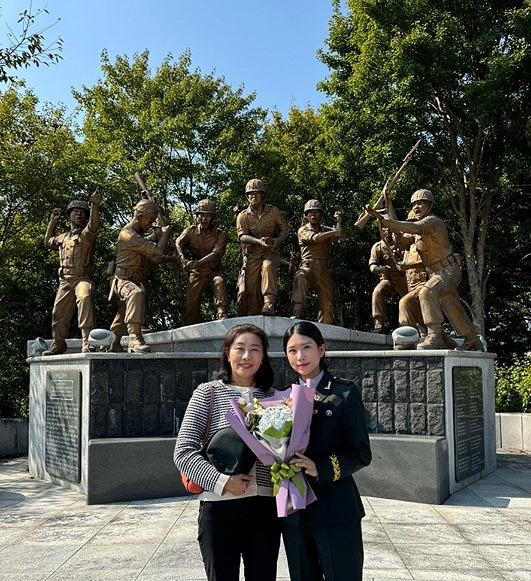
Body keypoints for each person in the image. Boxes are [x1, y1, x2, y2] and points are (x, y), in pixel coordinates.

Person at [174, 323, 281, 581]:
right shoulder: (207, 393)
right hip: (219, 510)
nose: (247, 356)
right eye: (240, 348)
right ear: (227, 352)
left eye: (255, 350)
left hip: (265, 510)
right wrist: (223, 482)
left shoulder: (277, 398)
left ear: (263, 356)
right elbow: (183, 452)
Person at [282, 321, 372, 581]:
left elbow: (360, 453)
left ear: (321, 350)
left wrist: (319, 467)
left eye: (307, 347)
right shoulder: (281, 398)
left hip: (335, 509)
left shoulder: (344, 394)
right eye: (292, 350)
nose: (300, 356)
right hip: (295, 514)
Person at [377, 189, 483, 350]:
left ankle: (435, 336)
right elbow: (403, 237)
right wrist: (388, 205)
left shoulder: (433, 222)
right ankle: (472, 340)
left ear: (430, 205)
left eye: (420, 203)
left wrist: (390, 223)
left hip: (448, 269)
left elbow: (411, 227)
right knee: (452, 307)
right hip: (438, 272)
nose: (416, 207)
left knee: (427, 292)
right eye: (413, 205)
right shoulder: (418, 231)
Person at [109, 199, 173, 353]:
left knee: (123, 314)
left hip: (134, 279)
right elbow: (157, 250)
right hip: (123, 280)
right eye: (149, 220)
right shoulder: (127, 235)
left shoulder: (136, 235)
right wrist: (165, 234)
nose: (151, 224)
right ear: (139, 216)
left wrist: (161, 238)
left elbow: (154, 253)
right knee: (135, 293)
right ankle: (134, 337)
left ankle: (113, 343)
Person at [43, 191, 101, 355]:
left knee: (85, 297)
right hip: (65, 281)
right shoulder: (62, 238)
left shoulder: (86, 235)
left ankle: (87, 342)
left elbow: (94, 225)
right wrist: (52, 223)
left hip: (82, 278)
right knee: (58, 312)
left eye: (83, 212)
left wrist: (95, 205)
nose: (79, 214)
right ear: (69, 215)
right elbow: (48, 242)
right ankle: (58, 343)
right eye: (75, 211)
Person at [236, 178, 289, 316]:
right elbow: (242, 237)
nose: (253, 196)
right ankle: (254, 312)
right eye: (250, 194)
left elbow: (284, 229)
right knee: (251, 286)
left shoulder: (273, 211)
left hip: (270, 251)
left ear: (262, 195)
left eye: (256, 193)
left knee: (268, 266)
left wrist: (277, 241)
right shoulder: (243, 216)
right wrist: (258, 241)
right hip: (252, 255)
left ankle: (269, 303)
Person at [291, 200, 345, 324]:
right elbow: (315, 238)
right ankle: (297, 311)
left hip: (324, 270)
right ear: (306, 215)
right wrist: (334, 232)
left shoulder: (325, 229)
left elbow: (340, 235)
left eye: (316, 212)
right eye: (310, 213)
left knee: (327, 304)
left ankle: (325, 326)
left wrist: (338, 223)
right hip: (309, 267)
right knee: (300, 277)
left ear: (320, 214)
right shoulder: (302, 230)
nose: (314, 215)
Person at [175, 199, 229, 325]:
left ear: (212, 218)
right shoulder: (191, 231)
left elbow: (217, 253)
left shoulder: (220, 234)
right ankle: (192, 322)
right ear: (197, 216)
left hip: (213, 269)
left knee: (219, 282)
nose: (204, 218)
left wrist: (199, 262)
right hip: (197, 271)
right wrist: (183, 259)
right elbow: (177, 243)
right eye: (201, 215)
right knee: (191, 302)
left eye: (207, 216)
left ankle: (222, 313)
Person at [368, 227, 408, 333]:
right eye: (384, 229)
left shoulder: (402, 243)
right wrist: (380, 269)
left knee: (409, 300)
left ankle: (412, 323)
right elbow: (372, 266)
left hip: (403, 279)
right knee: (377, 292)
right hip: (388, 279)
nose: (387, 232)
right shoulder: (377, 247)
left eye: (389, 229)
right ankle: (378, 322)